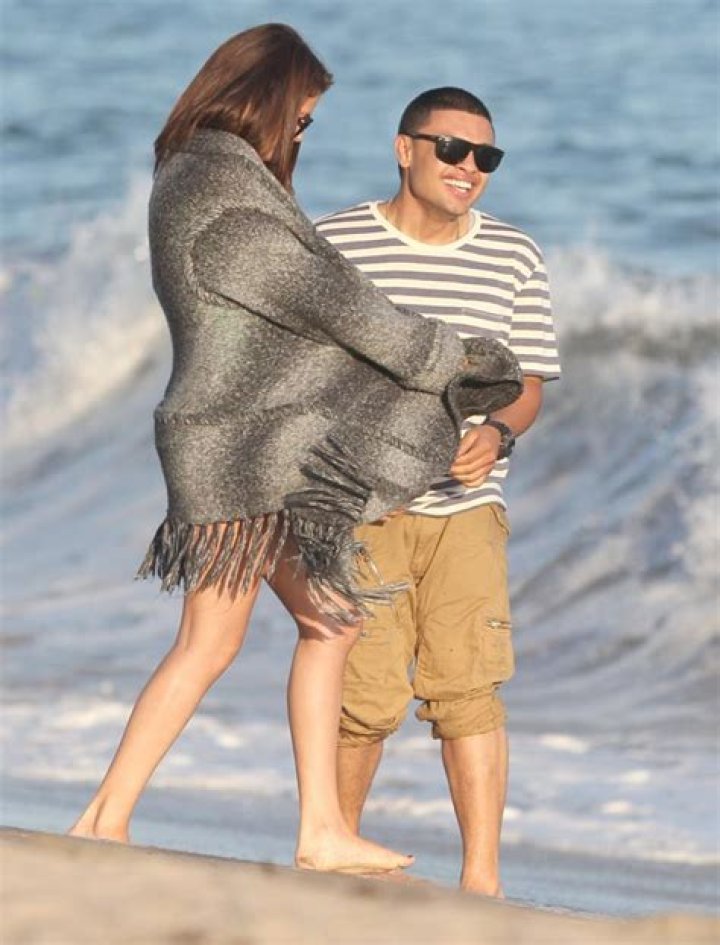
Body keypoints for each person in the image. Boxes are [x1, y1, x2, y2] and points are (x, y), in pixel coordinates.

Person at [69, 34, 522, 876]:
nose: (302, 136)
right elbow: (331, 301)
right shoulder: (221, 190)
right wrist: (452, 362)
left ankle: (316, 828)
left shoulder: (198, 176)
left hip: (240, 442)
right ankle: (104, 818)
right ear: (267, 98)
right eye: (302, 118)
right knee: (214, 640)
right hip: (235, 449)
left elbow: (303, 304)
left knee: (330, 620)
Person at [315, 87, 561, 893]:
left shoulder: (514, 256)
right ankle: (331, 849)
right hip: (361, 503)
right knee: (364, 696)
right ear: (404, 148)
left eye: (485, 157)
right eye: (452, 149)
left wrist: (498, 434)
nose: (469, 169)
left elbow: (527, 383)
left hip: (468, 511)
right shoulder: (337, 241)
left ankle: (482, 883)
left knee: (470, 689)